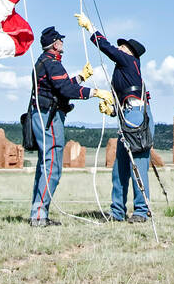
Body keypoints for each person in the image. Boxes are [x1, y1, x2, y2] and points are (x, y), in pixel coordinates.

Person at [28, 26, 113, 226]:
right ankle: (39, 216)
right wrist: (95, 92)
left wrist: (81, 77)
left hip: (42, 114)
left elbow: (61, 85)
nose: (63, 43)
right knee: (52, 167)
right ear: (55, 44)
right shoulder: (52, 63)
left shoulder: (46, 62)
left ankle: (38, 212)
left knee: (45, 165)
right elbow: (65, 89)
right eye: (61, 40)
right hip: (49, 117)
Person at [76, 14, 154, 223]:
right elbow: (123, 101)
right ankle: (117, 212)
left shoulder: (128, 61)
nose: (120, 48)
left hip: (136, 116)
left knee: (137, 165)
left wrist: (90, 28)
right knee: (120, 166)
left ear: (131, 53)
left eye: (124, 47)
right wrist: (111, 111)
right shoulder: (123, 72)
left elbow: (107, 48)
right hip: (128, 116)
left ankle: (140, 210)